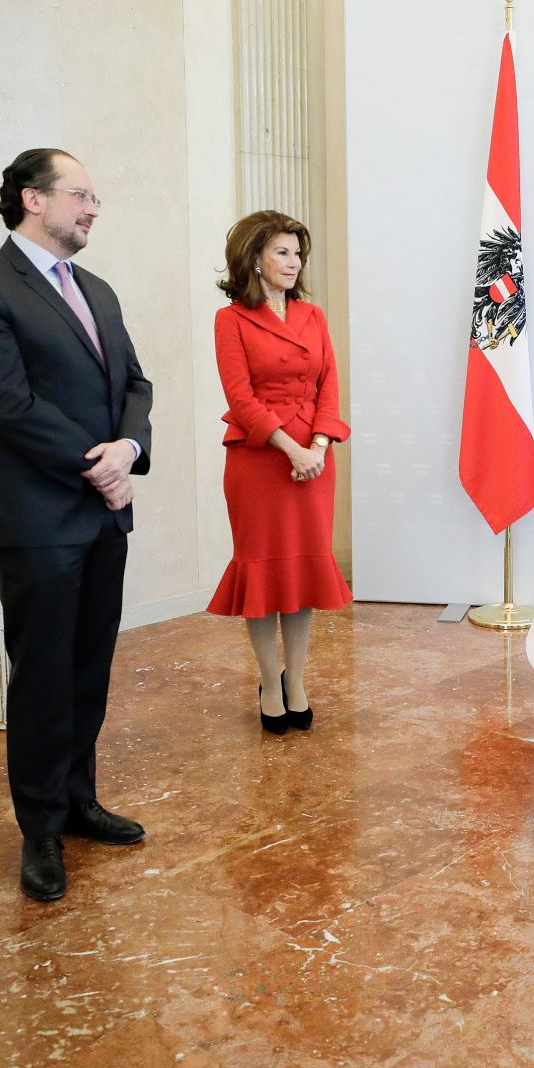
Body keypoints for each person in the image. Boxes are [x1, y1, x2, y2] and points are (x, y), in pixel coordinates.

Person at [0, 149, 153, 902]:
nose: (92, 208)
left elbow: (135, 381)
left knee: (89, 663)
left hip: (105, 508)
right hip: (32, 513)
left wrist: (129, 448)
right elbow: (7, 402)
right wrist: (96, 462)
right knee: (42, 672)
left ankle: (77, 801)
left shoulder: (96, 288)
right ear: (33, 198)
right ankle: (37, 830)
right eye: (80, 194)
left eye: (95, 196)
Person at [207, 210, 352, 732]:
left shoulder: (312, 317)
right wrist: (293, 449)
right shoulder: (231, 319)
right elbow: (240, 398)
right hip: (260, 458)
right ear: (254, 258)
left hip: (315, 459)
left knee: (304, 571)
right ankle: (270, 679)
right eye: (282, 252)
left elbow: (329, 384)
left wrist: (317, 444)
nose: (293, 263)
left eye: (298, 254)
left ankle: (298, 680)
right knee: (265, 572)